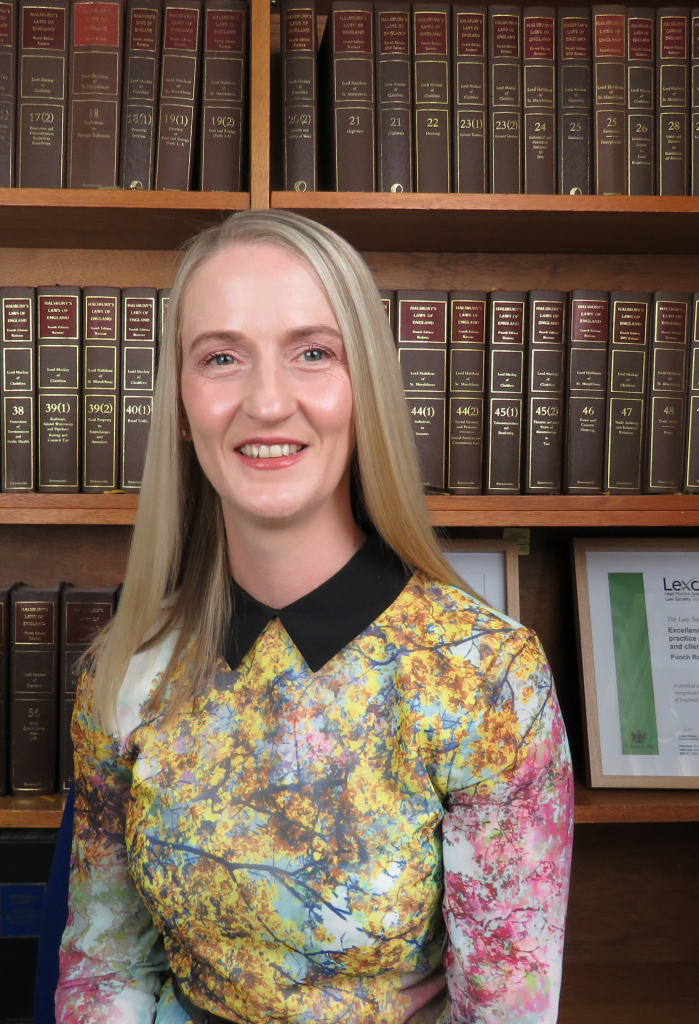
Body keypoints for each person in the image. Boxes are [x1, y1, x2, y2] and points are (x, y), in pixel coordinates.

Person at [56, 210, 574, 1024]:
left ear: (363, 387)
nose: (267, 402)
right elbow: (104, 966)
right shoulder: (122, 673)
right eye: (221, 357)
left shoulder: (485, 680)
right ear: (182, 405)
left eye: (313, 353)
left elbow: (505, 1012)